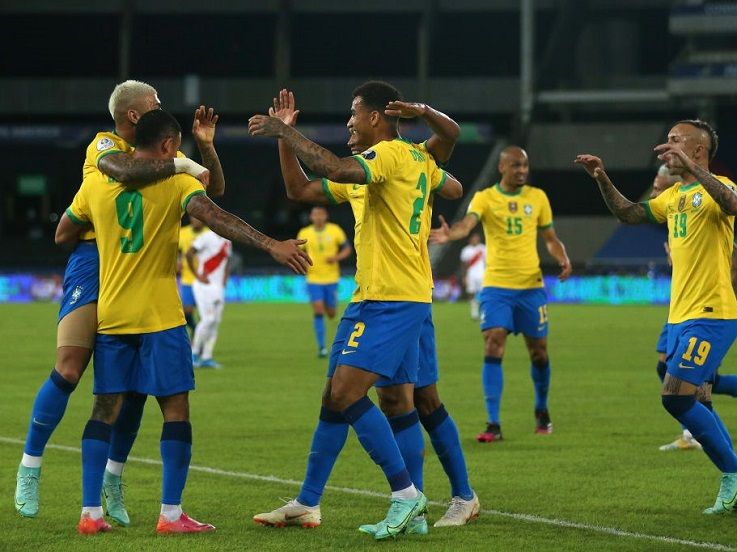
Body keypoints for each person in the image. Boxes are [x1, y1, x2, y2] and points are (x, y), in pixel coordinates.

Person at [57, 109, 311, 534]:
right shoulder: (175, 183)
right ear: (170, 147)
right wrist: (270, 244)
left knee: (103, 410)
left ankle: (89, 514)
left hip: (113, 315)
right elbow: (220, 216)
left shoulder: (96, 183)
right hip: (159, 317)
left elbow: (63, 233)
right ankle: (171, 515)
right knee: (175, 411)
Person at [252, 89, 478, 533]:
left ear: (375, 117)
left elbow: (336, 166)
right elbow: (300, 188)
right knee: (382, 398)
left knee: (351, 394)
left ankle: (410, 496)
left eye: (353, 114)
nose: (348, 123)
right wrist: (286, 139)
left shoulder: (392, 154)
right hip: (379, 294)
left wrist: (286, 131)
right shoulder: (379, 169)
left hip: (394, 298)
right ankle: (309, 502)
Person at [14, 79, 223, 522]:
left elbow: (210, 186)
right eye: (155, 103)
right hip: (94, 258)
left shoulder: (156, 151)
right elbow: (126, 175)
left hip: (137, 259)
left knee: (128, 390)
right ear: (133, 115)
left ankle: (112, 478)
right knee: (70, 367)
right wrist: (180, 164)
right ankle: (30, 466)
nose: (161, 106)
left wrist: (201, 152)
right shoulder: (103, 146)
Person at [575, 118, 737, 514]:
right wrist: (602, 178)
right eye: (668, 141)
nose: (667, 146)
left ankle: (733, 473)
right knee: (700, 393)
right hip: (680, 315)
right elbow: (629, 214)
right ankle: (732, 478)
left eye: (676, 141)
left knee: (675, 395)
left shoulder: (721, 187)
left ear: (698, 149)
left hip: (712, 311)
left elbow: (732, 204)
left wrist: (693, 166)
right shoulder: (675, 196)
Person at [430, 146, 571, 442]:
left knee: (539, 351)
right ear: (502, 167)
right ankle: (493, 423)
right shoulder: (485, 198)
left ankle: (542, 409)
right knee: (493, 342)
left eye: (525, 166)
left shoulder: (538, 197)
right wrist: (451, 234)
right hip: (496, 287)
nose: (522, 170)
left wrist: (561, 256)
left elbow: (550, 238)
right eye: (516, 165)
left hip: (531, 287)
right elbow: (468, 224)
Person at [296, 206, 352, 357]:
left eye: (321, 214)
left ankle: (330, 309)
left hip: (331, 278)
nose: (318, 217)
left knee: (332, 313)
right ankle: (322, 348)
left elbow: (347, 249)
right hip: (313, 278)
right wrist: (303, 262)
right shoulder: (305, 232)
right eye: (315, 214)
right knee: (318, 310)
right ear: (311, 217)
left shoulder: (335, 230)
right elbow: (298, 252)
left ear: (325, 216)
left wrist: (336, 258)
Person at [186, 221, 232, 368]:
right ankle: (193, 353)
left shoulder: (227, 241)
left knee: (216, 321)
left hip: (218, 287)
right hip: (203, 285)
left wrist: (224, 278)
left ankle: (207, 356)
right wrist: (196, 275)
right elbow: (189, 253)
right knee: (208, 319)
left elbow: (227, 260)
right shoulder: (206, 237)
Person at [178, 216, 209, 337]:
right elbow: (176, 251)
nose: (195, 221)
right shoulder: (183, 233)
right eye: (193, 218)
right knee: (187, 311)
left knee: (204, 314)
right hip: (188, 279)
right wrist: (177, 261)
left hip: (204, 280)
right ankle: (195, 329)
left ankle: (201, 339)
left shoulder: (209, 234)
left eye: (198, 218)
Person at [460, 233, 486, 320]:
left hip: (482, 274)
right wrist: (464, 276)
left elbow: (487, 263)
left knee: (483, 293)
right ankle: (474, 311)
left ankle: (482, 312)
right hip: (470, 275)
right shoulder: (466, 250)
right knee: (471, 293)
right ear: (470, 239)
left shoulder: (483, 248)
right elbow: (463, 265)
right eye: (473, 238)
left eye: (476, 238)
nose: (475, 239)